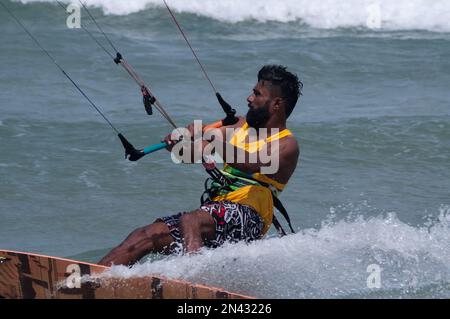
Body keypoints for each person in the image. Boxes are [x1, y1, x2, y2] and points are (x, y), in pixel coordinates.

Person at [98, 65, 302, 266]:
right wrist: (177, 143)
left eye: (257, 94)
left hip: (249, 218)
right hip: (214, 213)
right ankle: (86, 281)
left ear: (276, 104)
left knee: (191, 220)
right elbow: (189, 154)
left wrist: (208, 135)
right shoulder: (239, 125)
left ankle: (195, 278)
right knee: (144, 236)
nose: (249, 98)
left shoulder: (286, 143)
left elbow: (249, 162)